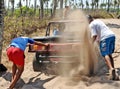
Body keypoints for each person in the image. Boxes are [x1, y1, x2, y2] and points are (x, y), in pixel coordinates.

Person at [87, 15, 119, 80]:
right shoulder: (98, 21)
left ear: (88, 20)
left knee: (105, 54)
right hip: (112, 36)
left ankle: (111, 68)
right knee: (109, 54)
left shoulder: (91, 25)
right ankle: (113, 71)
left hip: (105, 38)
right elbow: (98, 36)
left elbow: (94, 36)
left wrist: (90, 44)